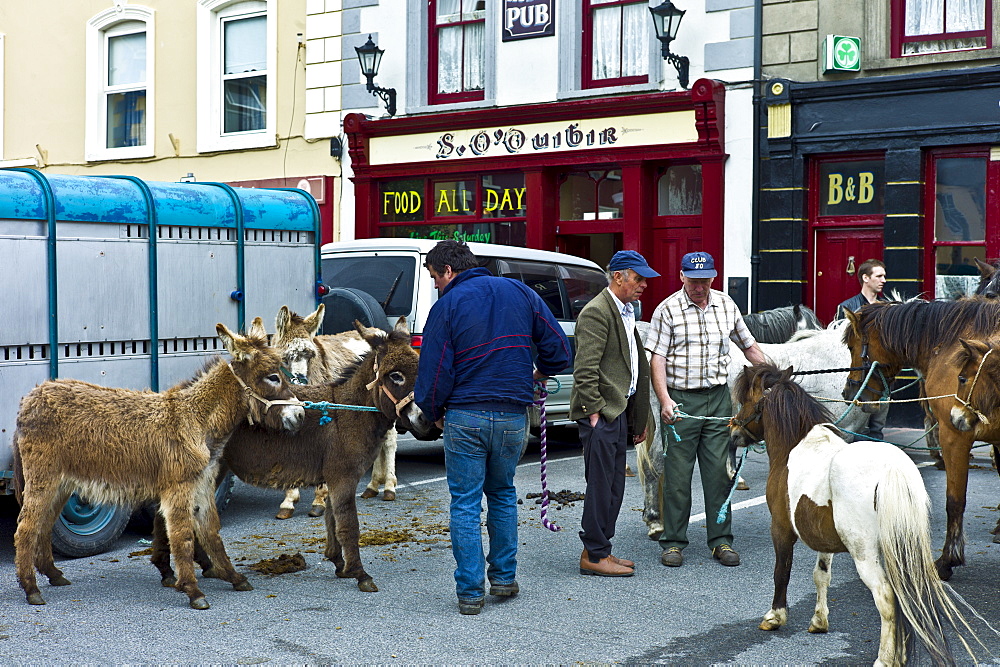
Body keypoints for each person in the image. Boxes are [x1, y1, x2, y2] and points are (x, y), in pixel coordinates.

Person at [414, 240, 571, 616]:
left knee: (465, 502)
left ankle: (470, 592)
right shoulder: (521, 292)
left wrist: (434, 412)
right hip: (514, 415)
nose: (436, 284)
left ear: (448, 271)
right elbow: (560, 350)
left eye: (435, 277)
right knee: (502, 493)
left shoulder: (446, 306)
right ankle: (503, 578)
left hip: (465, 415)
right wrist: (538, 373)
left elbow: (435, 372)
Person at [646, 251, 766, 568]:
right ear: (681, 276)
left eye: (705, 280)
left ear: (713, 277)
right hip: (681, 400)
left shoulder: (727, 305)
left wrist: (773, 376)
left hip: (718, 400)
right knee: (676, 476)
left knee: (720, 476)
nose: (700, 287)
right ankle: (673, 543)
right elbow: (656, 359)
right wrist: (665, 400)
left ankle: (721, 541)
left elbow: (748, 345)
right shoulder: (667, 310)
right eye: (694, 280)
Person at [570, 250, 658, 577]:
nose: (644, 285)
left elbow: (632, 367)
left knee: (614, 487)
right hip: (602, 415)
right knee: (601, 486)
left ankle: (601, 550)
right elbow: (585, 370)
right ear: (618, 276)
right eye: (638, 278)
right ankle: (594, 555)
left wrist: (636, 420)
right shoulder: (597, 312)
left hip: (618, 412)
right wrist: (594, 415)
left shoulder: (625, 310)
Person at [835, 258, 889, 440]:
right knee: (859, 424)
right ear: (866, 278)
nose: (883, 280)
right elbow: (839, 342)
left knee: (878, 425)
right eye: (879, 276)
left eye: (884, 276)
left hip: (881, 373)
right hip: (859, 372)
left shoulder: (888, 307)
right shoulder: (847, 307)